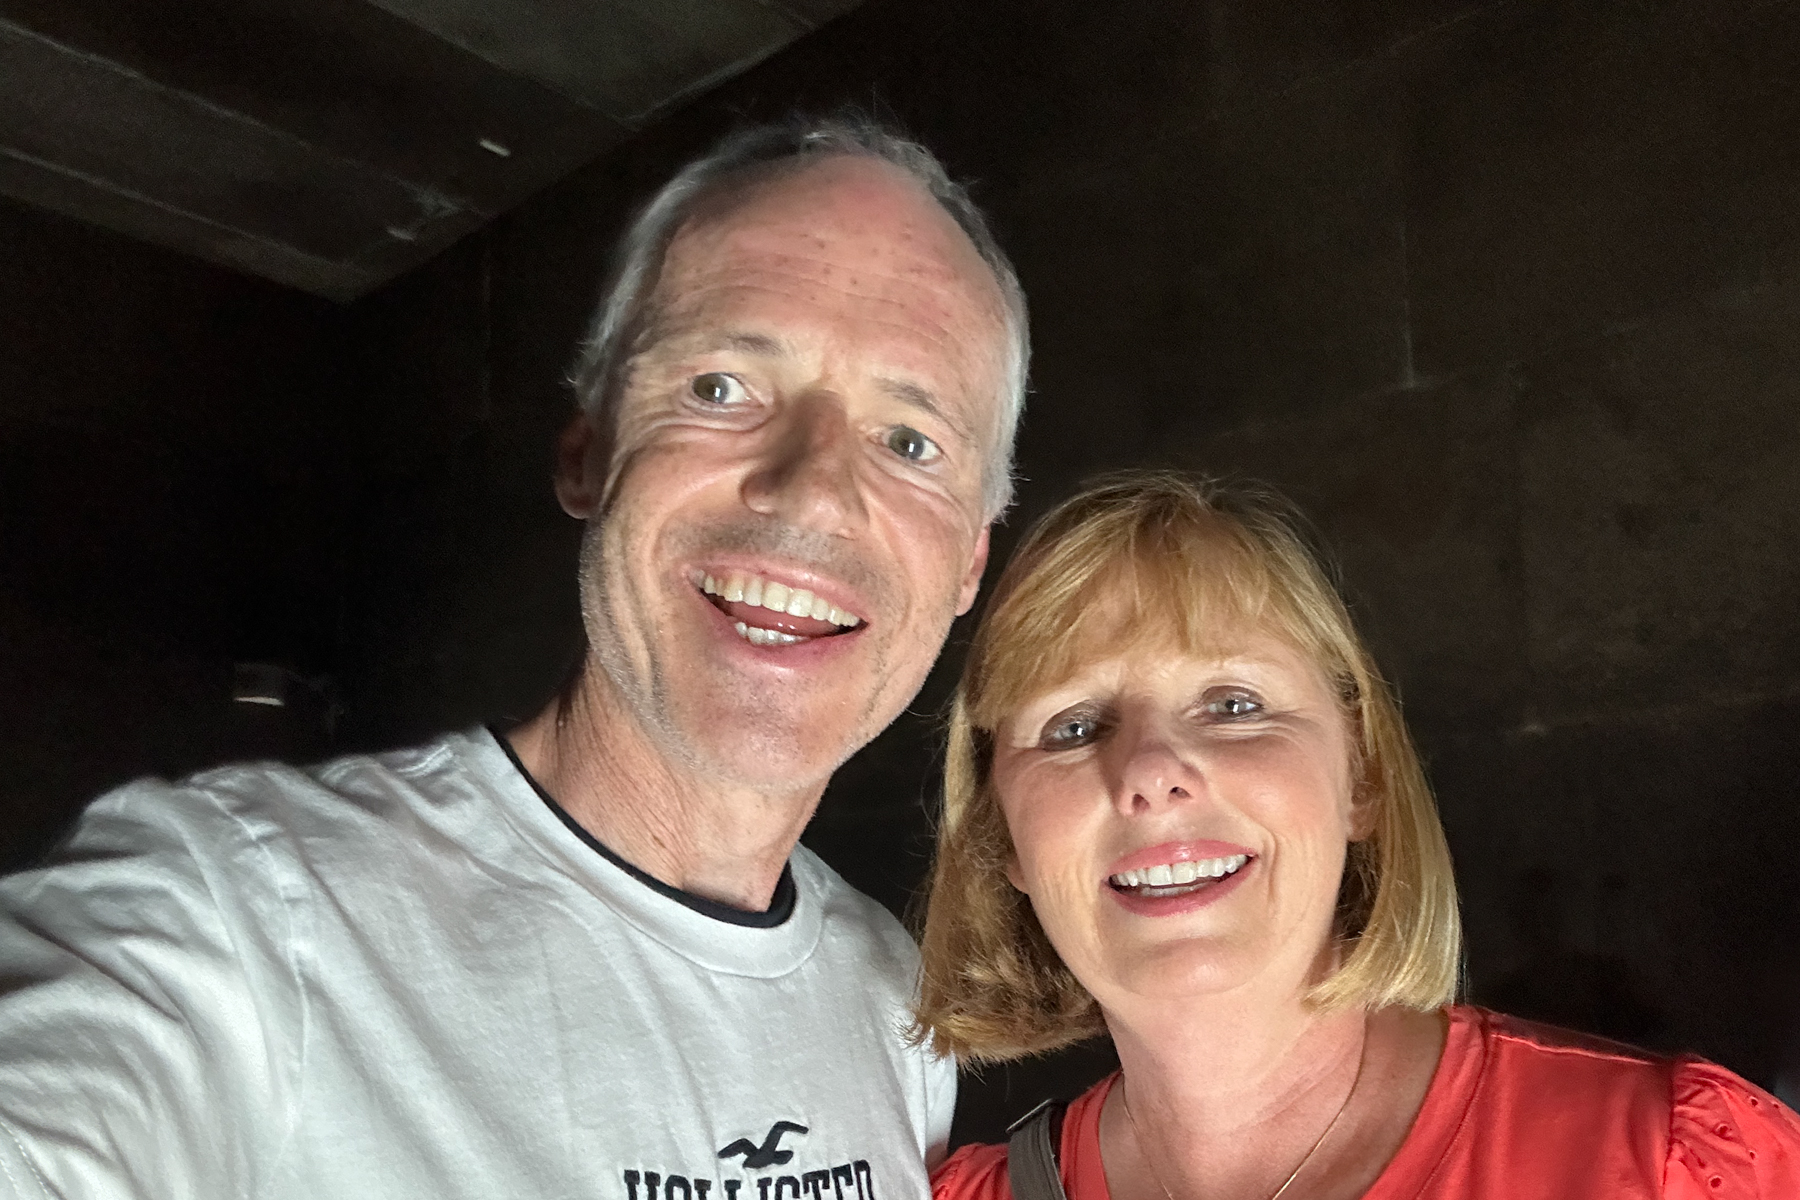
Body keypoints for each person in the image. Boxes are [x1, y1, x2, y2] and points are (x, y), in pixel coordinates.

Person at [0, 115, 1028, 1199]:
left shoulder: (894, 1001)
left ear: (964, 567)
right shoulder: (230, 917)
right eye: (722, 387)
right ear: (586, 454)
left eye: (910, 442)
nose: (813, 488)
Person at [915, 472, 1800, 1200]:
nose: (1149, 770)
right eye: (1073, 726)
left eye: (1233, 706)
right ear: (1002, 840)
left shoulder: (1670, 1168)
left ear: (1363, 777)